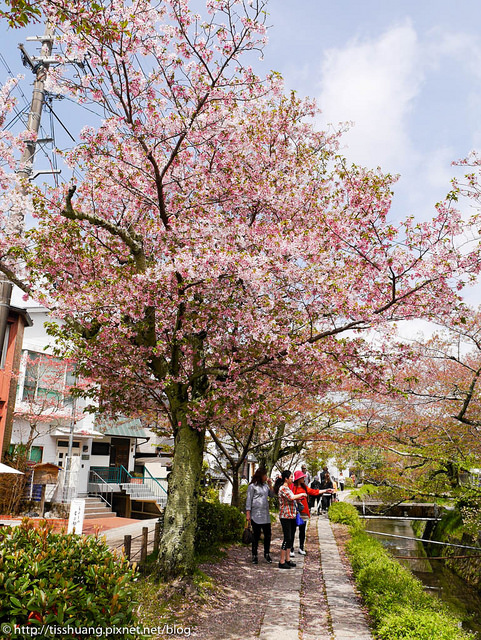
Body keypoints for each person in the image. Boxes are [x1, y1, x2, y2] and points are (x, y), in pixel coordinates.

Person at [290, 470, 331, 555]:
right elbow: (290, 497)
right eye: (302, 477)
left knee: (302, 530)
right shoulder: (292, 487)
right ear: (298, 478)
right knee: (293, 530)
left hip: (304, 511)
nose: (303, 479)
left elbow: (313, 491)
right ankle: (291, 548)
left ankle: (301, 547)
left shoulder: (304, 487)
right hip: (295, 511)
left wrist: (325, 490)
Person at [273, 470, 306, 569]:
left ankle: (288, 559)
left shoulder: (288, 488)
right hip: (285, 516)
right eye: (291, 477)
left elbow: (292, 498)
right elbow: (291, 497)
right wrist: (302, 495)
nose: (292, 478)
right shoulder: (283, 488)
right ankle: (281, 561)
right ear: (286, 478)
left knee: (291, 538)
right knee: (287, 538)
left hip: (292, 515)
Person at [245, 467, 274, 564]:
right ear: (260, 475)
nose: (266, 477)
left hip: (265, 514)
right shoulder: (252, 486)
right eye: (265, 475)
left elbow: (272, 495)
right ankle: (254, 555)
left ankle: (266, 553)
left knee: (268, 535)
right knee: (256, 536)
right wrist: (248, 513)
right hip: (255, 514)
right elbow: (249, 500)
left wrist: (270, 485)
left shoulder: (266, 486)